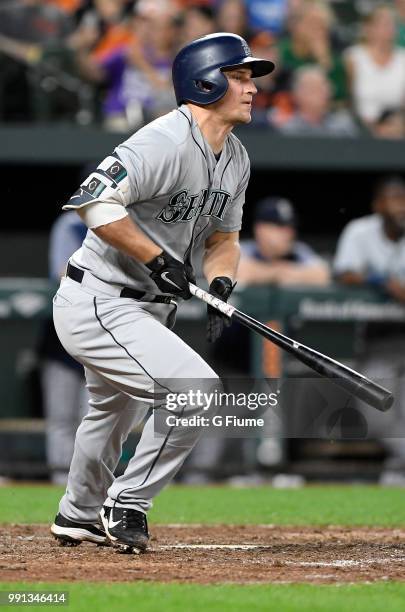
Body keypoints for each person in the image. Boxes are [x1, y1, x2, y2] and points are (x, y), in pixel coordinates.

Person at [49, 32, 275, 553]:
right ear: (206, 80)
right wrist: (156, 258)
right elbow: (95, 203)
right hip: (100, 298)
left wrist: (221, 282)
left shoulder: (236, 156)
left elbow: (224, 237)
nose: (252, 89)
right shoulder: (163, 141)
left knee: (111, 415)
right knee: (194, 390)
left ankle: (77, 514)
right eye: (239, 77)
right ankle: (127, 502)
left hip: (148, 308)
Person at [334, 175, 405, 485]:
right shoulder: (361, 231)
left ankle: (398, 469)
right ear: (378, 205)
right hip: (378, 338)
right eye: (393, 199)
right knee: (375, 407)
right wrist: (382, 283)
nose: (400, 206)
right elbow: (345, 273)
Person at [40, 211, 88, 485]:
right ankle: (61, 484)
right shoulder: (71, 224)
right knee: (61, 418)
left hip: (104, 333)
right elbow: (62, 272)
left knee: (92, 420)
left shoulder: (129, 220)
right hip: (62, 337)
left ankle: (86, 486)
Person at [238, 197, 330, 286]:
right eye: (279, 226)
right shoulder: (243, 248)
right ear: (260, 229)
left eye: (290, 227)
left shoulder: (298, 250)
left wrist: (265, 273)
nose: (288, 233)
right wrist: (277, 273)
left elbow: (323, 274)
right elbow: (238, 271)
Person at [344, 5, 405, 129]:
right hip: (359, 126)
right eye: (382, 24)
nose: (387, 29)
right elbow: (348, 98)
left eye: (391, 24)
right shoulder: (353, 57)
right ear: (368, 28)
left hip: (397, 128)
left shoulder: (402, 57)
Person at [274, 65, 359, 136]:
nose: (323, 92)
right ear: (297, 93)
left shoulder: (343, 126)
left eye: (324, 87)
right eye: (313, 88)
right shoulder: (285, 127)